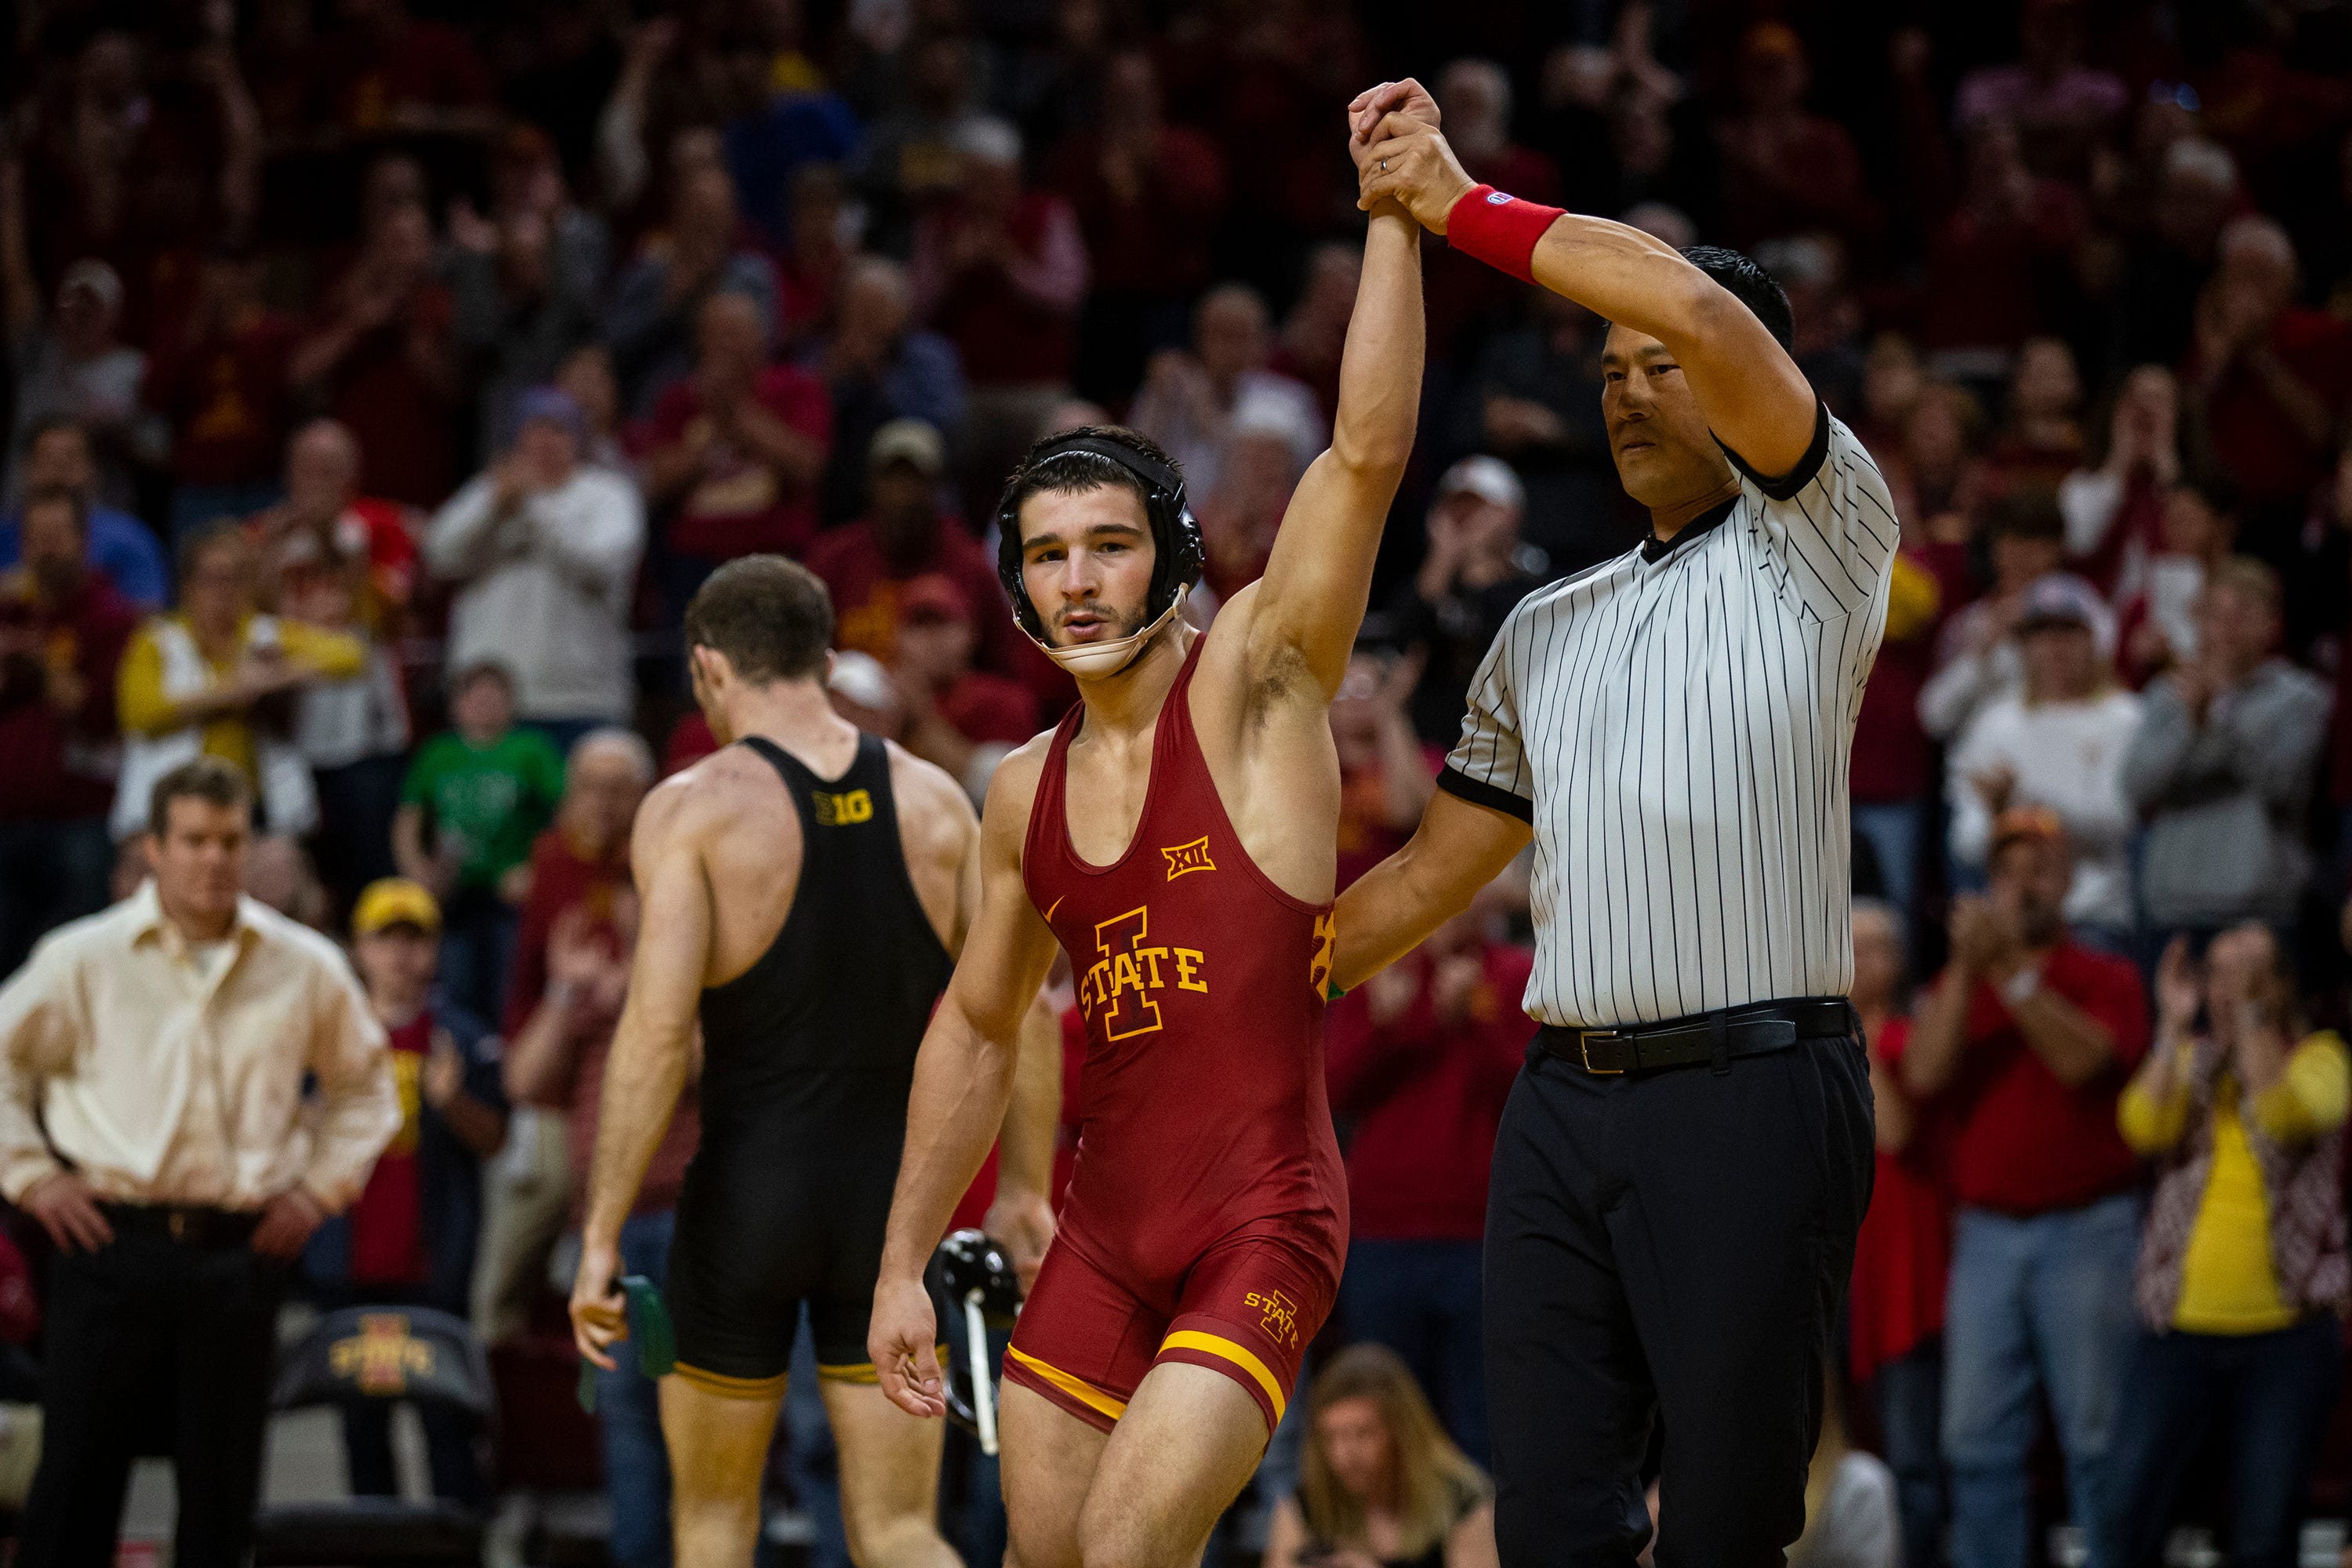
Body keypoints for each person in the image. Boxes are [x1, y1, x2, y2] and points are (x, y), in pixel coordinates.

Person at [1334, 82, 1889, 1562]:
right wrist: (1260, 963)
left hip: (1754, 1091)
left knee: (1723, 1521)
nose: (1629, 387)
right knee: (1555, 1518)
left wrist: (1457, 206)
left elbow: (1704, 317)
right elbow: (1436, 869)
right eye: (1610, 369)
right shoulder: (1541, 628)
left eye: (1664, 362)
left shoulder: (1827, 539)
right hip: (1562, 1101)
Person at [866, 115, 1424, 1567]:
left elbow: (1363, 456)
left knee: (1124, 1554)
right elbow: (981, 1029)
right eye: (1048, 557)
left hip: (1264, 1215)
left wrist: (1396, 216)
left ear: (1174, 558)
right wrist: (902, 1261)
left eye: (1108, 543)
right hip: (1104, 1241)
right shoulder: (1016, 789)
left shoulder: (1254, 685)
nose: (1080, 579)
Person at [571, 556, 1061, 1568]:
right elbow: (1024, 1013)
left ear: (709, 669)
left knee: (713, 1521)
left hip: (746, 1199)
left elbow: (657, 1036)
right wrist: (1022, 1191)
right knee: (898, 1530)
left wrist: (603, 1231)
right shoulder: (935, 806)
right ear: (826, 657)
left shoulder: (694, 807)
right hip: (895, 1213)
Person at [0, 757, 400, 1568]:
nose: (214, 858)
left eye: (230, 840)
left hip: (240, 1251)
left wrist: (319, 1190)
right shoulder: (85, 956)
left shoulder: (304, 961)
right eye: (194, 840)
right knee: (72, 1488)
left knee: (221, 1499)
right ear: (154, 846)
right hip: (106, 1242)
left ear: (250, 845)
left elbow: (370, 1090)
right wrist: (33, 1174)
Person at [1893, 808, 2150, 1568]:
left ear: (2069, 881)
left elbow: (2083, 1062)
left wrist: (2009, 970)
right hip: (1987, 1236)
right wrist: (1972, 970)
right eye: (2008, 869)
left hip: (2090, 1228)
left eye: (2040, 867)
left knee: (2098, 1441)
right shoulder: (1960, 980)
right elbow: (1924, 1073)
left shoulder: (2107, 974)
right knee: (1975, 1441)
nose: (2023, 883)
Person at [2106, 925, 2348, 1568]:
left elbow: (2283, 1113)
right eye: (2217, 970)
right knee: (2125, 1517)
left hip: (2287, 1338)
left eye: (2248, 970)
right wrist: (2170, 1026)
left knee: (2265, 1535)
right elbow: (2141, 1125)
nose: (2228, 984)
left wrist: (2250, 1023)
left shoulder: (2321, 1056)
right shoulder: (2191, 1061)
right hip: (2178, 1329)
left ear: (2282, 984)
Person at [321, 877, 508, 1504]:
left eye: (416, 939)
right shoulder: (325, 1040)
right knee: (361, 1437)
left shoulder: (460, 1035)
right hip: (349, 1274)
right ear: (358, 949)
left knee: (448, 1433)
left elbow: (495, 1139)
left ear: (435, 949)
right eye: (386, 939)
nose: (401, 955)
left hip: (434, 1277)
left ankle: (454, 1551)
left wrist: (452, 1101)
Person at [1323, 895, 1529, 1464]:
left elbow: (1530, 1094)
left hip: (1481, 1232)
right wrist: (1397, 1027)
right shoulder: (1381, 972)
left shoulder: (1514, 974)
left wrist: (1476, 1022)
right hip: (1383, 1234)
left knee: (1485, 1424)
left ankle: (1480, 1550)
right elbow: (1335, 1089)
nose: (1444, 906)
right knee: (1384, 1426)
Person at [113, 521, 365, 843]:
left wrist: (275, 677)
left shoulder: (262, 634)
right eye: (212, 580)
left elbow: (350, 654)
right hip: (169, 813)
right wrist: (228, 691)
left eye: (235, 579)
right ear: (188, 585)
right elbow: (138, 713)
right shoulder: (158, 640)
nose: (224, 591)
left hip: (254, 811)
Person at [2122, 559, 2331, 947]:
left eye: (2244, 613)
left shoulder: (2299, 699)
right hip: (2172, 905)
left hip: (2258, 909)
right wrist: (2189, 725)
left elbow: (2281, 784)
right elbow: (2137, 788)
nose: (2228, 627)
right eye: (2216, 613)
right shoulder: (2169, 696)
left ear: (2271, 625)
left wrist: (2220, 715)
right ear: (2198, 621)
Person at [426, 387, 646, 746]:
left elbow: (601, 565)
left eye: (558, 430)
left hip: (582, 701)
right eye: (534, 430)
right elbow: (440, 556)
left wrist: (529, 509)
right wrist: (494, 508)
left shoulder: (609, 495)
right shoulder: (489, 491)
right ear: (516, 439)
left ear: (578, 439)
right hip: (491, 706)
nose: (545, 442)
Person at [1945, 574, 2141, 944]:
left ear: (2095, 641)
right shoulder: (1994, 723)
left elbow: (2118, 822)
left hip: (2094, 915)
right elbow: (1964, 842)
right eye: (2040, 634)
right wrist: (1996, 817)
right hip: (2011, 924)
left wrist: (2015, 807)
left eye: (2068, 632)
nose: (2054, 647)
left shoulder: (2124, 718)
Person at [1844, 901, 1949, 1568]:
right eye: (1849, 944)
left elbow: (1897, 1132)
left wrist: (1851, 1031)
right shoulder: (1808, 1045)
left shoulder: (1911, 1035)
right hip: (1841, 1270)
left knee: (1912, 1455)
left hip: (1904, 1266)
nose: (1862, 960)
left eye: (1877, 946)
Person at [0, 485, 138, 975]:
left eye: (57, 537)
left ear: (85, 540)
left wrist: (36, 666)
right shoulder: (11, 610)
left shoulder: (111, 617)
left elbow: (100, 711)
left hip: (81, 821)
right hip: (7, 818)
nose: (45, 551)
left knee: (68, 962)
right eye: (36, 538)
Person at [632, 290, 831, 604]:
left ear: (761, 339)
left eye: (736, 335)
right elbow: (655, 482)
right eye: (717, 335)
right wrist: (704, 450)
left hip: (773, 556)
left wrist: (737, 413)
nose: (727, 347)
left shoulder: (796, 388)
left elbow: (809, 466)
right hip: (694, 563)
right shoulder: (678, 400)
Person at [394, 661, 566, 1025]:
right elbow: (408, 822)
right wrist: (418, 873)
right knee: (454, 987)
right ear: (457, 705)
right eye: (475, 696)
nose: (485, 705)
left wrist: (536, 869)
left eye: (495, 696)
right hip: (453, 892)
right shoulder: (438, 753)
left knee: (508, 986)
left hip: (508, 894)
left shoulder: (530, 750)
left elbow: (568, 814)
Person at [1262, 1344, 1499, 1568]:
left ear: (1401, 1432)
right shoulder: (1305, 1504)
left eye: (1362, 1434)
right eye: (1331, 1437)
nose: (1344, 1456)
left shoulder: (1463, 1499)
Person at [1381, 456, 1544, 749]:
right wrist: (1443, 559)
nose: (1464, 518)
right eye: (1455, 507)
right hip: (1431, 743)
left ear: (1510, 515)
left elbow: (1501, 643)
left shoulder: (1533, 586)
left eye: (1478, 507)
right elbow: (1402, 642)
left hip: (1506, 740)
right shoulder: (1430, 582)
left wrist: (1481, 565)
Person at [0, 415, 168, 610]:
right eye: (48, 459)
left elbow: (149, 617)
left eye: (71, 458)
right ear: (26, 469)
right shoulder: (3, 537)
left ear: (92, 469)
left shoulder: (131, 539)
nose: (59, 471)